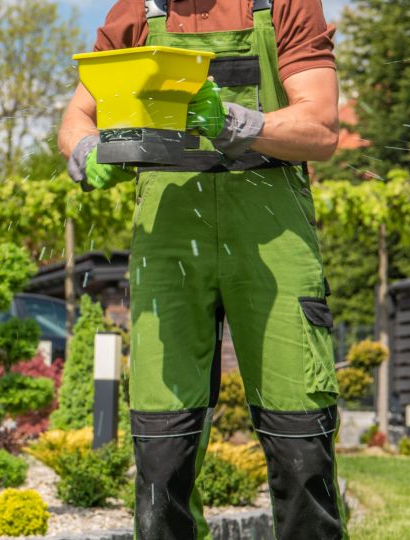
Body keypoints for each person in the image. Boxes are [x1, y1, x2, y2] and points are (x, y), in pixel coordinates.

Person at [58, 1, 347, 539]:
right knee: (161, 457)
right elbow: (79, 114)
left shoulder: (281, 3)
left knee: (301, 444)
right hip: (168, 243)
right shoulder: (138, 12)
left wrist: (245, 123)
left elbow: (321, 126)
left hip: (273, 235)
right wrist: (85, 146)